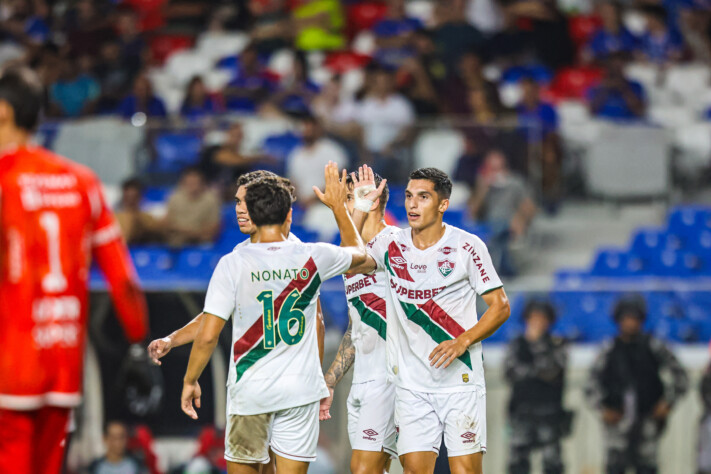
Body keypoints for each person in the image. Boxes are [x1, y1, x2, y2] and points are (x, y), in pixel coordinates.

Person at [0, 67, 148, 474]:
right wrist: (138, 344)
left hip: (9, 365)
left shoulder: (4, 178)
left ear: (3, 112)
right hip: (63, 363)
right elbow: (124, 280)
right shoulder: (82, 182)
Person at [179, 162, 370, 473]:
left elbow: (209, 333)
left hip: (251, 390)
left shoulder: (233, 264)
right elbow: (361, 255)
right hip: (300, 391)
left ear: (252, 213)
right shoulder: (313, 255)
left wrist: (190, 380)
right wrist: (340, 208)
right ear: (289, 214)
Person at [147, 171, 328, 473]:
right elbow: (214, 315)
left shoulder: (281, 256)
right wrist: (173, 339)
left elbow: (318, 321)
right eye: (237, 202)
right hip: (289, 390)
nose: (240, 209)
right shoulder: (255, 254)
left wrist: (316, 378)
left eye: (247, 202)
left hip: (257, 389)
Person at [346, 167, 511, 474]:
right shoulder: (390, 243)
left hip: (459, 383)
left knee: (465, 471)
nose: (412, 204)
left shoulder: (467, 246)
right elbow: (349, 263)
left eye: (423, 197)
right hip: (411, 387)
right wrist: (360, 209)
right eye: (409, 196)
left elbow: (500, 307)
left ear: (442, 204)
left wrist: (463, 340)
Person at [320, 167, 398, 473]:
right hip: (362, 380)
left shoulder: (396, 243)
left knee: (363, 470)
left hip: (391, 378)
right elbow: (358, 326)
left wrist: (348, 210)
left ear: (372, 201)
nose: (345, 205)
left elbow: (352, 259)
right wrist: (331, 380)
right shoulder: (351, 254)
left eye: (350, 197)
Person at [585, 295, 689, 474]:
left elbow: (681, 377)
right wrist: (602, 408)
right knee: (615, 467)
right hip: (617, 424)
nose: (630, 323)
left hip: (647, 420)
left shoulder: (653, 346)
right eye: (626, 318)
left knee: (646, 468)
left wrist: (667, 403)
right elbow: (589, 384)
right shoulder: (609, 348)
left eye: (634, 318)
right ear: (618, 320)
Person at [504, 300, 569, 474]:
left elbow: (552, 371)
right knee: (517, 463)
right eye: (534, 318)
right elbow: (510, 373)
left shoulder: (557, 344)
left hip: (550, 413)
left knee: (552, 464)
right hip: (521, 412)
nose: (538, 322)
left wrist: (537, 346)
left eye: (542, 318)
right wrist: (534, 368)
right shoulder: (517, 345)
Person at [468, 150, 536, 276]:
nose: (496, 173)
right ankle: (506, 268)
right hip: (488, 225)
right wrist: (483, 190)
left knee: (501, 232)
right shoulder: (483, 185)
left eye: (500, 168)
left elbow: (530, 209)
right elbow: (471, 214)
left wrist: (520, 217)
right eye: (492, 169)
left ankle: (496, 268)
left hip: (510, 224)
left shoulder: (515, 183)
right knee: (497, 235)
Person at [354, 66, 415, 182]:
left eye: (385, 82)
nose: (382, 85)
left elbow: (407, 131)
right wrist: (364, 153)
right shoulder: (367, 105)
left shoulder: (401, 105)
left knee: (379, 166)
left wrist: (392, 145)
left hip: (394, 153)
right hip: (371, 154)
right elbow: (360, 131)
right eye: (379, 82)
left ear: (391, 83)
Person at [516, 77, 562, 210]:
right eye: (525, 91)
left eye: (531, 91)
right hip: (521, 146)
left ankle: (548, 197)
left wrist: (547, 147)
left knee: (549, 158)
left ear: (537, 91)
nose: (528, 94)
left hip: (543, 143)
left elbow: (553, 132)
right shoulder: (517, 109)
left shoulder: (547, 109)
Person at [286, 114, 348, 208]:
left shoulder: (331, 150)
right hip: (302, 204)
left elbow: (338, 179)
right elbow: (293, 182)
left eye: (310, 129)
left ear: (317, 129)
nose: (307, 132)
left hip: (326, 203)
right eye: (305, 129)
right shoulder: (296, 155)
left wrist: (315, 198)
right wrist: (300, 199)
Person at [163, 167, 221, 247]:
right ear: (183, 183)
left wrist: (190, 233)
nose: (192, 186)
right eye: (189, 182)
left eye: (195, 182)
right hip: (176, 241)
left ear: (202, 183)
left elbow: (214, 227)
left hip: (201, 241)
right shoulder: (174, 197)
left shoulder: (211, 200)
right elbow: (167, 223)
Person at [587, 52, 646, 120]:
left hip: (628, 124)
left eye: (619, 67)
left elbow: (640, 111)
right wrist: (605, 89)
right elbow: (591, 111)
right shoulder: (596, 86)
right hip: (603, 124)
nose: (616, 71)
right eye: (613, 67)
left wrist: (624, 88)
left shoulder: (636, 86)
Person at [371, 0, 423, 69]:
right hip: (388, 56)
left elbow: (422, 39)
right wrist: (400, 40)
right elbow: (378, 42)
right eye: (395, 5)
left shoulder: (414, 21)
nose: (398, 7)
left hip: (411, 54)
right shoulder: (382, 24)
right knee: (412, 63)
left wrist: (405, 40)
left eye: (400, 5)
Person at [115, 177, 162, 245]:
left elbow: (156, 229)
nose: (130, 201)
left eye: (134, 197)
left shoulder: (150, 210)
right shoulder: (114, 211)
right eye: (128, 197)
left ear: (140, 197)